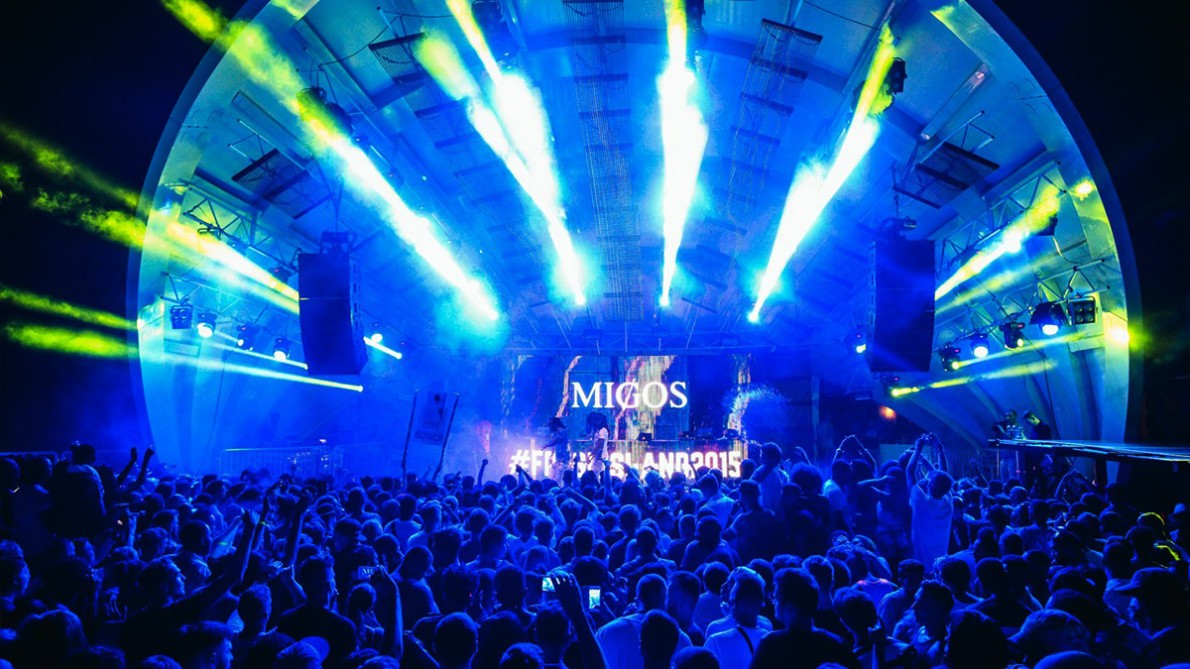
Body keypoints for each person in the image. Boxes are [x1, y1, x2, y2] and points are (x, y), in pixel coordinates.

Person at [748, 568, 859, 669]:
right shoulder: (837, 645)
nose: (773, 603)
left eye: (776, 599)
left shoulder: (771, 645)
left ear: (790, 607)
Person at [906, 434, 953, 570]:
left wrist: (918, 448)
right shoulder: (947, 502)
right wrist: (939, 449)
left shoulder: (921, 502)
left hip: (920, 564)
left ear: (929, 484)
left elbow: (909, 471)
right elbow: (943, 475)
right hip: (941, 563)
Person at [544, 418, 569, 482]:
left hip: (562, 459)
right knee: (552, 477)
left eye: (550, 424)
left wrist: (546, 445)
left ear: (555, 424)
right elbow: (554, 446)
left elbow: (556, 440)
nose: (549, 426)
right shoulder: (554, 433)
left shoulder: (563, 431)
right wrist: (551, 456)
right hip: (556, 459)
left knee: (559, 478)